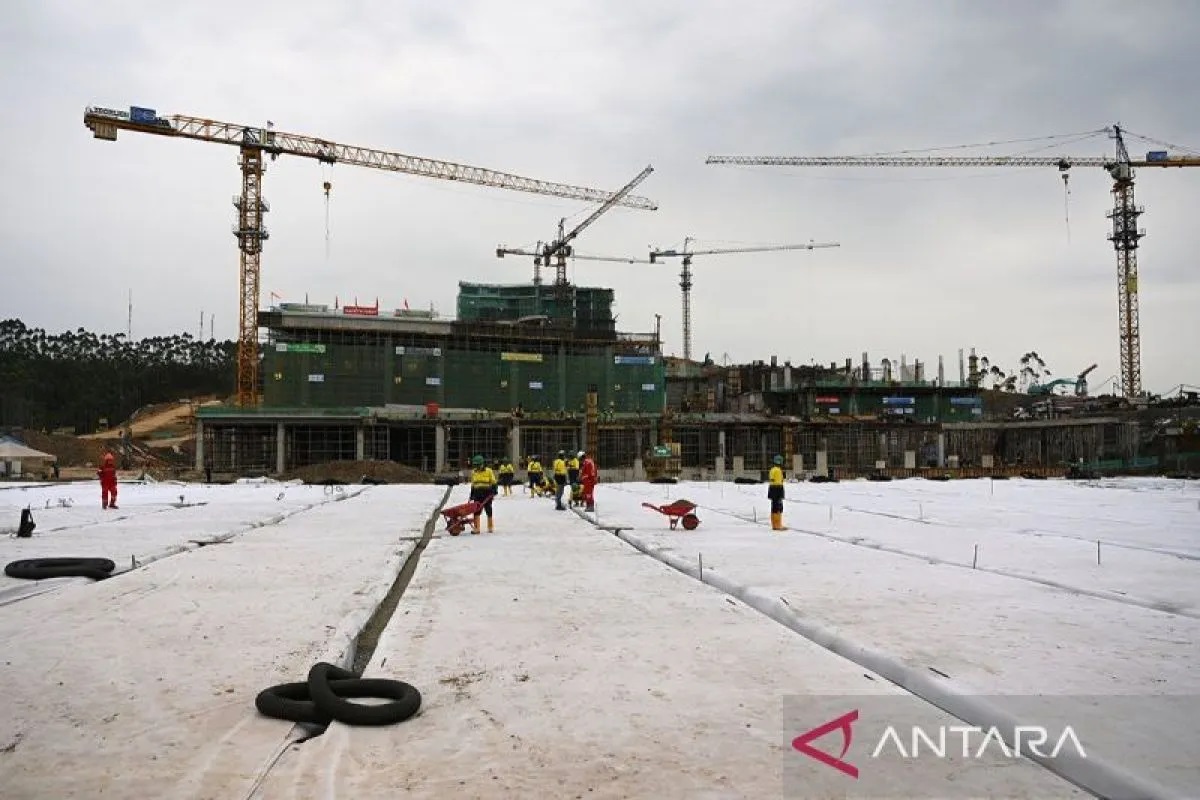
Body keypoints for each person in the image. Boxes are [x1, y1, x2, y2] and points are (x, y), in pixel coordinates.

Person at [468, 454, 498, 533]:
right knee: (476, 511)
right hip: (477, 494)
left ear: (482, 464)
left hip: (487, 493)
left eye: (478, 465)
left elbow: (494, 482)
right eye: (476, 465)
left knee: (488, 509)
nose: (477, 467)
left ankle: (490, 527)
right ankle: (477, 529)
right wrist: (471, 495)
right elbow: (473, 484)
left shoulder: (488, 471)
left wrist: (494, 490)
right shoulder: (474, 472)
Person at [768, 454, 786, 531]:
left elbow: (772, 479)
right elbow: (779, 481)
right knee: (778, 507)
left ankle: (774, 525)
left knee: (774, 507)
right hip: (777, 489)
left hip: (772, 489)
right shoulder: (778, 470)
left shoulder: (772, 470)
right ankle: (778, 525)